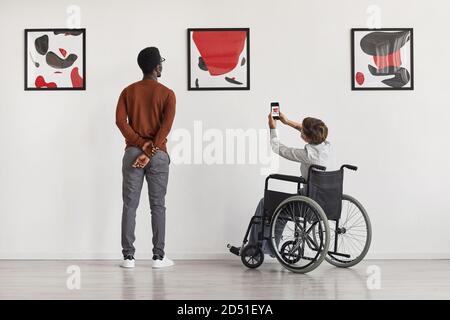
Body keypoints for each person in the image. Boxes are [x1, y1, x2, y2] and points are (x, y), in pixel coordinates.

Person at [115, 47, 176, 269]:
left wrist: (140, 146)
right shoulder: (168, 94)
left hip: (132, 153)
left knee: (130, 205)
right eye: (161, 63)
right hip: (158, 154)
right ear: (157, 67)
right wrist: (150, 150)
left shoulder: (127, 91)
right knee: (158, 205)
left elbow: (121, 122)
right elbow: (166, 127)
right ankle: (159, 257)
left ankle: (128, 258)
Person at [246, 112, 336, 255]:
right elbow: (306, 130)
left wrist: (272, 128)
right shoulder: (325, 145)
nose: (301, 130)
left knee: (267, 203)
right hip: (326, 199)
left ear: (306, 137)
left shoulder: (307, 155)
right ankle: (268, 246)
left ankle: (257, 248)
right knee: (282, 207)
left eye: (303, 131)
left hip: (309, 202)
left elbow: (278, 148)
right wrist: (286, 122)